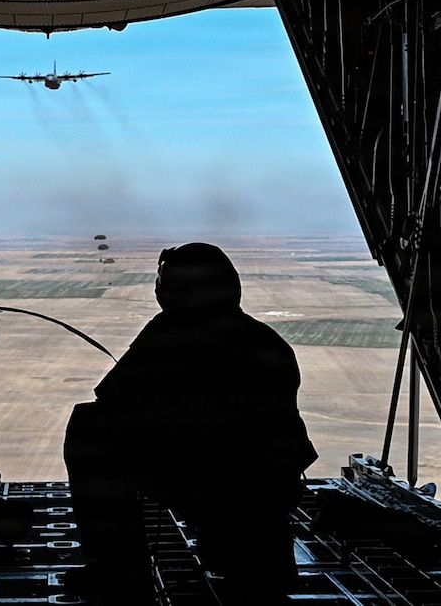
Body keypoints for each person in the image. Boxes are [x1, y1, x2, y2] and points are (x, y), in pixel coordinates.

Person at [62, 242, 318, 604]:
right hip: (268, 493)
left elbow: (113, 402)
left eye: (165, 284)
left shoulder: (170, 332)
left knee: (89, 426)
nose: (160, 291)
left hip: (212, 485)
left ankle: (120, 569)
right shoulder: (266, 340)